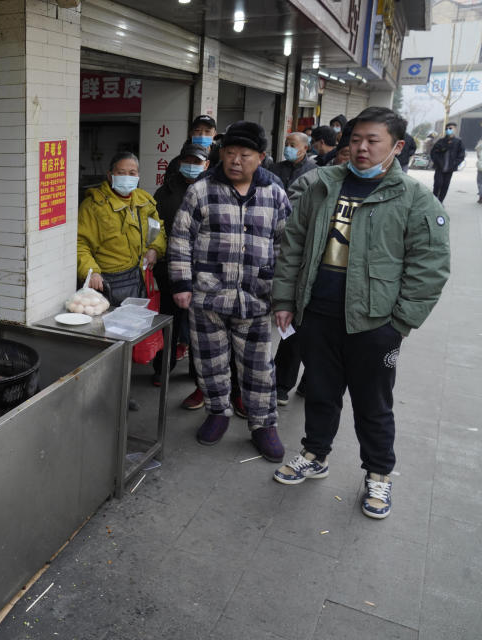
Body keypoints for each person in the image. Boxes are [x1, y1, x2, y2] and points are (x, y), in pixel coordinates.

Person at [271, 107, 450, 520]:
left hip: (375, 324)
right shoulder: (322, 184)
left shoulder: (414, 197)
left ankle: (379, 475)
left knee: (373, 403)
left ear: (397, 147)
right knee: (319, 390)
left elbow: (431, 265)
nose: (362, 148)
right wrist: (284, 300)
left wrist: (399, 323)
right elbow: (293, 244)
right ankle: (315, 454)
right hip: (318, 314)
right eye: (356, 140)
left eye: (374, 141)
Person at [168, 121, 290, 462]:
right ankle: (217, 412)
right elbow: (180, 240)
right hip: (207, 296)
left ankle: (263, 424)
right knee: (210, 361)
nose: (236, 161)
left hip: (255, 297)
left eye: (245, 155)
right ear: (221, 153)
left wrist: (282, 294)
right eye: (230, 153)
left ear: (261, 157)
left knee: (259, 367)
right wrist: (181, 283)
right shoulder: (201, 190)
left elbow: (285, 246)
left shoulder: (274, 194)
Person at [151, 142, 208, 384]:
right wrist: (155, 249)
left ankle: (198, 374)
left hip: (203, 269)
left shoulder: (212, 190)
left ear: (206, 164)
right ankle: (163, 368)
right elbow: (155, 227)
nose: (191, 166)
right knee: (168, 320)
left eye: (197, 162)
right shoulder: (164, 192)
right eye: (188, 161)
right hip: (169, 267)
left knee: (201, 323)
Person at [77, 151, 166, 305]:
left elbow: (158, 228)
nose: (127, 177)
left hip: (138, 279)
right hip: (106, 282)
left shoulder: (144, 201)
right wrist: (91, 272)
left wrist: (154, 249)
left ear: (138, 176)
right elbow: (80, 244)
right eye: (121, 173)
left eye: (132, 173)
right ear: (110, 175)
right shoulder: (93, 206)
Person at [431, 122, 465, 202]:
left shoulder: (458, 142)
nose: (448, 130)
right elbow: (433, 152)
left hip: (450, 168)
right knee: (437, 184)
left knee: (445, 186)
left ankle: (440, 201)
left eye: (451, 128)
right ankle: (434, 201)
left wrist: (455, 163)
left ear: (455, 130)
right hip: (440, 167)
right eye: (447, 129)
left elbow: (461, 155)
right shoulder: (441, 141)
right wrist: (437, 161)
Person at [475, 137, 482, 203]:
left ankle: (481, 196)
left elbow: (477, 151)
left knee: (480, 181)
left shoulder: (480, 143)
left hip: (480, 166)